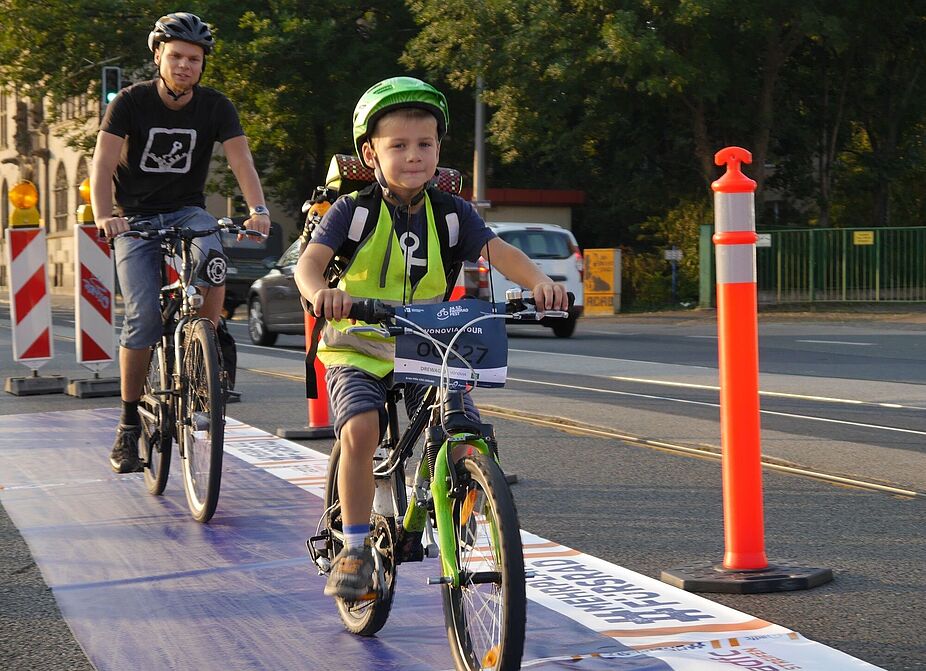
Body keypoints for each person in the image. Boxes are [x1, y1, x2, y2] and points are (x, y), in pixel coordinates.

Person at [295, 76, 568, 600]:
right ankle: (353, 549)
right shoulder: (351, 211)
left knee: (462, 419)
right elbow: (310, 266)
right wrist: (321, 294)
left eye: (425, 144)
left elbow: (498, 251)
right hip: (358, 340)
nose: (413, 155)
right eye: (398, 145)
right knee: (361, 429)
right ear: (371, 155)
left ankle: (467, 485)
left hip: (428, 340)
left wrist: (538, 282)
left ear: (439, 150)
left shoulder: (451, 212)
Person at [90, 12, 271, 473]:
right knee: (143, 316)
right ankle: (129, 424)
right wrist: (106, 215)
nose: (185, 65)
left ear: (203, 63)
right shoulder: (130, 102)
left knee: (213, 258)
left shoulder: (215, 107)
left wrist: (259, 210)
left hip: (188, 210)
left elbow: (241, 161)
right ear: (158, 57)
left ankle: (204, 354)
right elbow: (104, 162)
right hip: (136, 218)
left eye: (194, 58)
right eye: (176, 56)